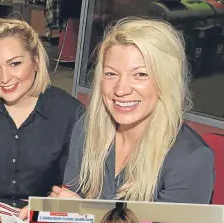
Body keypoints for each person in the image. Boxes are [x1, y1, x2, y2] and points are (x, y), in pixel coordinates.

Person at [51, 17, 215, 204]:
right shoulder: (87, 128)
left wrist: (82, 211)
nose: (121, 90)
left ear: (167, 80)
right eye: (111, 74)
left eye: (140, 75)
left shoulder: (191, 160)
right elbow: (67, 206)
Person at [0, 17, 84, 223]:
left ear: (35, 60)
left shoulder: (70, 113)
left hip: (46, 220)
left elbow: (74, 183)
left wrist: (47, 205)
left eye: (15, 63)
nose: (5, 78)